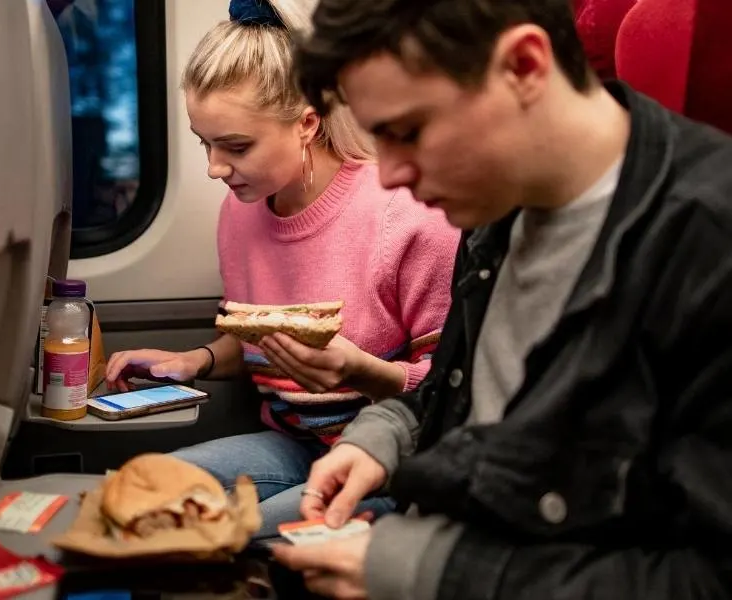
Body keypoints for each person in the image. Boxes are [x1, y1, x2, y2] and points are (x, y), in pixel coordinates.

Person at [271, 0, 732, 598]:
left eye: (408, 132)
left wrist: (434, 573)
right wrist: (385, 436)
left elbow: (708, 579)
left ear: (524, 66)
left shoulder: (706, 245)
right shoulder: (495, 204)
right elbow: (468, 392)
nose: (389, 175)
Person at [104, 0, 460, 537]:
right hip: (294, 443)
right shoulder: (240, 213)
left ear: (307, 124)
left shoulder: (406, 214)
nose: (214, 168)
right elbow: (260, 340)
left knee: (225, 537)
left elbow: (450, 393)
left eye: (236, 147)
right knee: (144, 491)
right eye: (205, 144)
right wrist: (193, 360)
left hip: (389, 459)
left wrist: (360, 372)